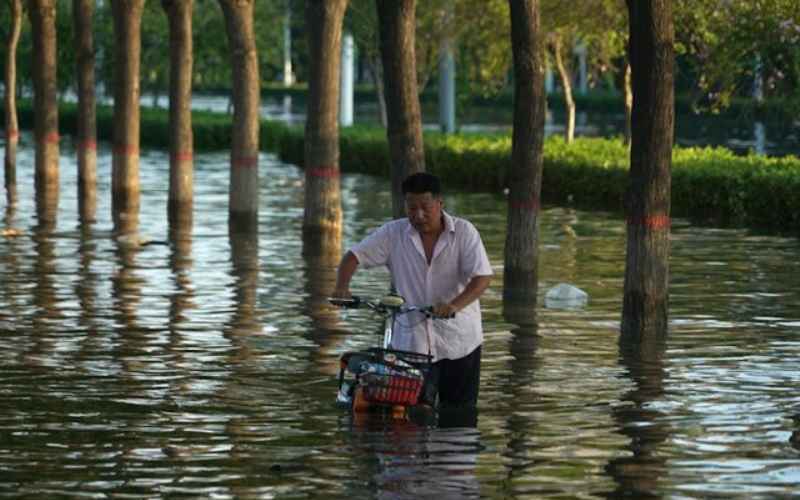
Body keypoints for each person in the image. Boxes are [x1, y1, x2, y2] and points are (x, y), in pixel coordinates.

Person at [333, 172, 493, 409]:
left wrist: (453, 306)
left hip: (460, 342)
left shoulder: (464, 232)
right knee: (407, 417)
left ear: (440, 203)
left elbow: (482, 277)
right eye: (411, 207)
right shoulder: (392, 234)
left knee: (460, 416)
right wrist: (341, 288)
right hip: (411, 346)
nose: (418, 215)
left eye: (425, 207)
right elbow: (353, 256)